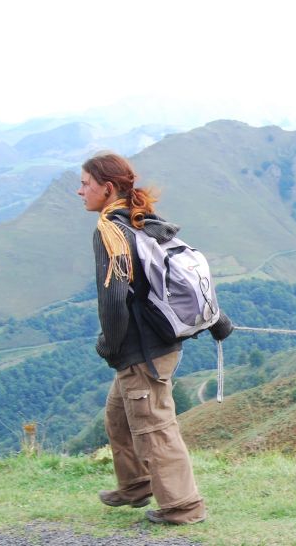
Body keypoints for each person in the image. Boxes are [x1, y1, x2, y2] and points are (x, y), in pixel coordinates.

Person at [77, 151, 233, 525]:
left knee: (154, 428)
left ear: (107, 187)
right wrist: (217, 320)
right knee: (118, 416)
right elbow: (179, 272)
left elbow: (113, 299)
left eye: (85, 184)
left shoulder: (111, 230)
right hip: (154, 345)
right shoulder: (142, 220)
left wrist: (109, 345)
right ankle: (135, 484)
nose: (80, 191)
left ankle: (184, 506)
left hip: (142, 351)